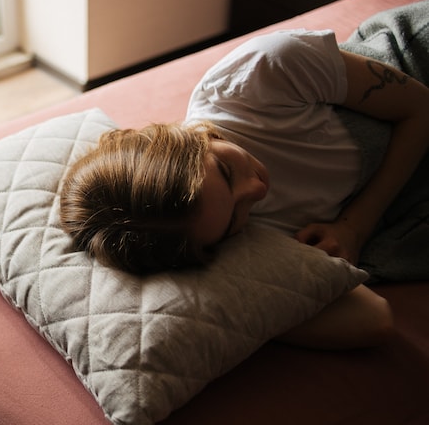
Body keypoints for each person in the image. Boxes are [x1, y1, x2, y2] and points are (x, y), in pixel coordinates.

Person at [59, 29, 429, 350]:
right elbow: (373, 319)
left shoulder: (264, 74)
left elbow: (420, 106)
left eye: (224, 169)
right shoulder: (224, 232)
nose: (256, 190)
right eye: (237, 214)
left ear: (183, 139)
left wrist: (355, 226)